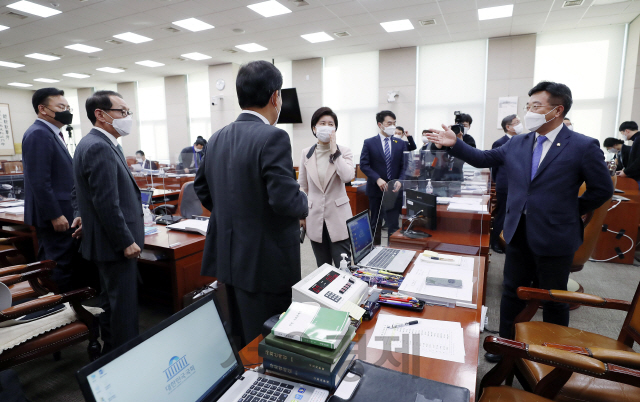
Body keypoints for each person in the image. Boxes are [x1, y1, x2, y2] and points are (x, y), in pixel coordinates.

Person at [427, 81, 613, 363]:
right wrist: (456, 144)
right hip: (518, 231)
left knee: (553, 298)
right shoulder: (518, 142)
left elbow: (602, 190)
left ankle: (551, 355)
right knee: (511, 292)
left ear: (557, 110)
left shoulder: (583, 146)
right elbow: (483, 158)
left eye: (536, 106)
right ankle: (506, 347)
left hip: (555, 235)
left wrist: (570, 210)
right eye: (528, 106)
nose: (530, 112)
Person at [194, 60, 308, 347]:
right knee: (269, 337)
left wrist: (233, 213)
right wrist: (304, 198)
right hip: (266, 262)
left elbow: (201, 188)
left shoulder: (216, 138)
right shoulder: (274, 137)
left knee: (239, 332)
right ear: (275, 97)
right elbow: (285, 201)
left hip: (229, 258)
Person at [73, 90, 143, 353]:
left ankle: (113, 351)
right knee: (122, 308)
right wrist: (126, 241)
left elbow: (84, 193)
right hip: (114, 247)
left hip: (106, 242)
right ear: (100, 115)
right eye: (121, 112)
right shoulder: (99, 146)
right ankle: (125, 359)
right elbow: (106, 202)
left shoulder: (95, 143)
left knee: (114, 304)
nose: (126, 118)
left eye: (128, 113)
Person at [22, 88, 82, 292]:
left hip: (62, 211)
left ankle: (52, 302)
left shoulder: (51, 133)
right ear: (43, 109)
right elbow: (39, 181)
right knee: (59, 264)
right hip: (55, 215)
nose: (66, 111)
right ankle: (64, 310)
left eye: (68, 107)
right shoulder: (39, 133)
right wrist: (55, 215)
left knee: (53, 261)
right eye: (61, 107)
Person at [298, 107, 354, 267]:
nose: (327, 127)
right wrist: (301, 215)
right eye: (322, 123)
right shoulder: (306, 153)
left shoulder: (344, 151)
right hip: (314, 217)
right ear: (314, 128)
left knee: (344, 267)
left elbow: (347, 176)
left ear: (335, 129)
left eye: (331, 124)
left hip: (339, 218)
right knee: (322, 268)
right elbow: (302, 186)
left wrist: (335, 151)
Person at [359, 110, 406, 245]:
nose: (393, 126)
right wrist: (377, 178)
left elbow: (404, 166)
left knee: (393, 225)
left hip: (394, 190)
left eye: (394, 123)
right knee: (376, 223)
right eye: (389, 123)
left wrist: (400, 180)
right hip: (376, 190)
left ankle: (393, 253)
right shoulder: (369, 143)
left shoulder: (400, 143)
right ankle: (374, 251)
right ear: (380, 124)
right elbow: (364, 165)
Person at [490, 114, 523, 254]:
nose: (520, 124)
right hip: (505, 184)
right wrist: (499, 182)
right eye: (516, 123)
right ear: (508, 127)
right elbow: (494, 166)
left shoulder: (523, 140)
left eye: (519, 122)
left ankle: (509, 241)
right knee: (503, 214)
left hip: (520, 185)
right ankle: (495, 242)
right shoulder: (500, 142)